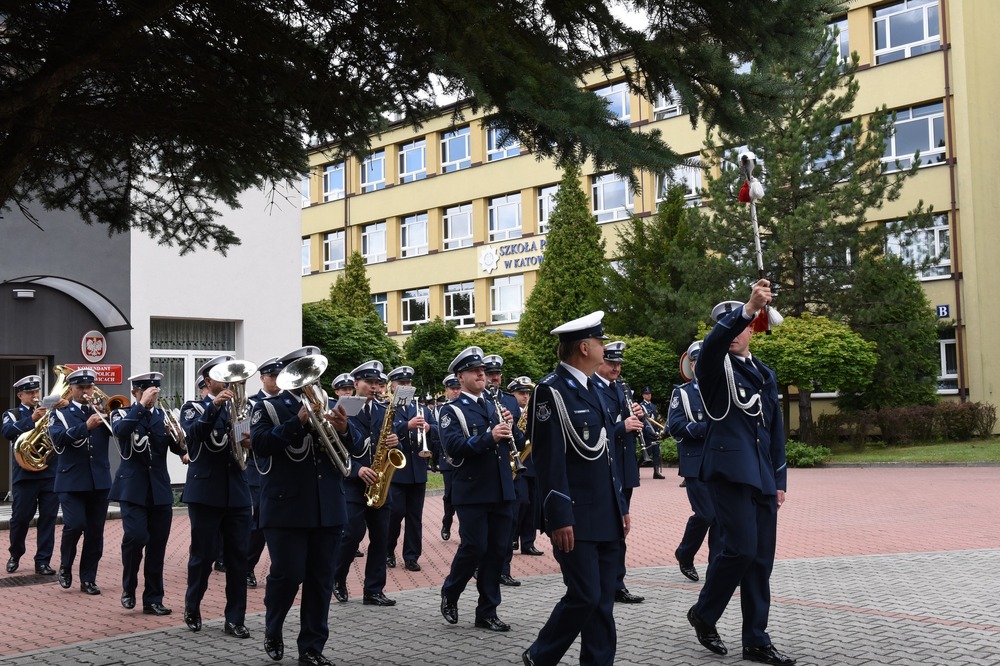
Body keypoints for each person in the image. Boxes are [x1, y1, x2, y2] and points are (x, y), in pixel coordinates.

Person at [686, 281, 794, 666]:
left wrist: (779, 481)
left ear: (754, 330)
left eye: (744, 326)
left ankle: (756, 640)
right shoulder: (714, 367)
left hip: (762, 475)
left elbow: (774, 431)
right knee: (741, 550)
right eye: (731, 325)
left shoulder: (764, 373)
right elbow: (713, 345)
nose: (735, 333)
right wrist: (747, 307)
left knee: (760, 561)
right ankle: (704, 613)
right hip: (729, 471)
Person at [521, 312, 628, 666]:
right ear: (584, 347)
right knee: (584, 596)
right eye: (599, 341)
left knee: (603, 602)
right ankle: (540, 655)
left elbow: (607, 455)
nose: (604, 347)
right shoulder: (550, 391)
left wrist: (622, 506)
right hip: (575, 514)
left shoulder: (596, 387)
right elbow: (548, 460)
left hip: (606, 512)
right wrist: (559, 516)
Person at [251, 346, 361, 666]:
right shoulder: (269, 407)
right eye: (303, 373)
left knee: (320, 579)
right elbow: (260, 445)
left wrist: (344, 429)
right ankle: (273, 626)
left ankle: (311, 648)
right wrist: (297, 422)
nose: (310, 381)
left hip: (328, 506)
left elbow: (353, 448)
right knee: (288, 575)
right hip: (286, 507)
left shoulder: (328, 404)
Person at [438, 346, 518, 632]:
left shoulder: (494, 405)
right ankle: (451, 591)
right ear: (460, 377)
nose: (482, 374)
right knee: (474, 547)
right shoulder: (451, 410)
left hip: (501, 488)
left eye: (483, 370)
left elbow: (515, 441)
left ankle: (487, 611)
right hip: (472, 490)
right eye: (474, 371)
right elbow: (453, 448)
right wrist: (489, 436)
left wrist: (512, 427)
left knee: (497, 550)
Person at [179, 355, 253, 639]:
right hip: (205, 493)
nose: (229, 383)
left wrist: (250, 440)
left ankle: (235, 618)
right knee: (204, 554)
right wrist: (215, 406)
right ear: (208, 381)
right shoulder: (193, 407)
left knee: (238, 558)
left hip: (237, 492)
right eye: (223, 377)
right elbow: (194, 435)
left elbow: (245, 447)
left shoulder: (241, 409)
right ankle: (193, 605)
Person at [109, 372, 186, 615]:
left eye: (154, 392)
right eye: (146, 392)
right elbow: (120, 432)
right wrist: (141, 406)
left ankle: (153, 599)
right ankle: (129, 587)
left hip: (159, 489)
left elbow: (178, 447)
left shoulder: (163, 417)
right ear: (135, 392)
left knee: (157, 546)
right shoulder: (122, 413)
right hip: (132, 489)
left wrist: (182, 442)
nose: (152, 397)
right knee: (136, 537)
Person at [331, 360, 402, 607]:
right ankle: (337, 578)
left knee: (381, 537)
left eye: (377, 383)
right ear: (356, 384)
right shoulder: (342, 409)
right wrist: (357, 470)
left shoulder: (384, 410)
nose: (374, 387)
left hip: (380, 481)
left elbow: (392, 445)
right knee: (351, 535)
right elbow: (334, 448)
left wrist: (396, 442)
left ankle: (374, 590)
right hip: (353, 483)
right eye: (369, 382)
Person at [47, 368, 113, 595]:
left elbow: (121, 432)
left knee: (95, 532)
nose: (85, 391)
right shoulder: (60, 414)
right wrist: (85, 427)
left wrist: (110, 414)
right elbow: (58, 439)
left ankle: (88, 579)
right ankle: (66, 565)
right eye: (80, 387)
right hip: (71, 480)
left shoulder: (103, 411)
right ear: (72, 389)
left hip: (99, 481)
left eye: (89, 387)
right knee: (75, 525)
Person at [591, 341, 645, 604]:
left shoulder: (621, 388)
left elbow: (628, 426)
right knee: (608, 529)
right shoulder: (592, 389)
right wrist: (622, 426)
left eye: (619, 364)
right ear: (600, 362)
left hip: (624, 468)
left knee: (621, 528)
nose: (616, 368)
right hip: (605, 469)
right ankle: (608, 583)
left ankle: (616, 583)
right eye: (611, 363)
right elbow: (594, 435)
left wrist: (638, 418)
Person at [667, 340, 717, 583]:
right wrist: (706, 429)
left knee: (720, 518)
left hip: (720, 462)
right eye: (695, 362)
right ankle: (685, 553)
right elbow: (674, 426)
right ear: (692, 365)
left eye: (703, 360)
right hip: (695, 463)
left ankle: (717, 568)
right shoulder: (683, 393)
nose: (700, 365)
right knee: (706, 514)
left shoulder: (720, 389)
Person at [2, 374, 62, 575]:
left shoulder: (51, 413)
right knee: (20, 518)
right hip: (25, 476)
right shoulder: (13, 414)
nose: (35, 395)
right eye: (29, 392)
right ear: (20, 395)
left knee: (48, 518)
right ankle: (15, 554)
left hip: (49, 473)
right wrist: (31, 420)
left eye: (36, 391)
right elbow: (7, 432)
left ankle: (43, 561)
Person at [385, 365, 435, 572]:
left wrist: (429, 428)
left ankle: (412, 556)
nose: (406, 386)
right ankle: (388, 550)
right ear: (392, 386)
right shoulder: (387, 408)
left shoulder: (422, 409)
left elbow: (438, 430)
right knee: (395, 514)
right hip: (397, 472)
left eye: (408, 383)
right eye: (401, 383)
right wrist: (406, 426)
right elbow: (383, 431)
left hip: (417, 471)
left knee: (415, 517)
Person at [484, 354, 527, 588]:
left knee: (510, 521)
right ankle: (484, 567)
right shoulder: (479, 399)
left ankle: (504, 570)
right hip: (488, 469)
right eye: (490, 374)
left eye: (497, 374)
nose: (494, 378)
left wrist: (512, 427)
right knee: (488, 525)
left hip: (511, 469)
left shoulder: (510, 401)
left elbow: (519, 439)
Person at [246, 356, 284, 588]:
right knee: (259, 520)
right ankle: (247, 565)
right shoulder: (251, 403)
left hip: (283, 468)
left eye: (280, 375)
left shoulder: (287, 401)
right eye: (272, 376)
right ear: (262, 378)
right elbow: (243, 436)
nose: (277, 380)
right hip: (259, 467)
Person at [506, 376, 543, 559]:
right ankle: (513, 536)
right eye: (521, 393)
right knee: (522, 501)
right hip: (517, 462)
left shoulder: (534, 410)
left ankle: (528, 543)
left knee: (533, 505)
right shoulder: (509, 411)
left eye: (527, 393)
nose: (525, 396)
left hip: (533, 462)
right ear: (513, 394)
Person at [437, 374, 461, 541]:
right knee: (450, 495)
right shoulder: (442, 409)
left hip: (464, 459)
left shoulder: (464, 408)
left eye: (458, 388)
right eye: (453, 389)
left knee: (463, 495)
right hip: (448, 460)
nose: (456, 392)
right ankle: (447, 523)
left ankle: (464, 530)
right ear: (446, 390)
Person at [640, 387, 665, 479]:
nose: (648, 395)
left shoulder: (653, 406)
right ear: (643, 395)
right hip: (647, 433)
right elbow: (643, 421)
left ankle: (656, 472)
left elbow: (656, 420)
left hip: (655, 433)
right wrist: (650, 432)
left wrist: (658, 431)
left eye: (649, 394)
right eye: (646, 394)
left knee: (656, 453)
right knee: (647, 452)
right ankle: (636, 468)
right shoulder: (641, 406)